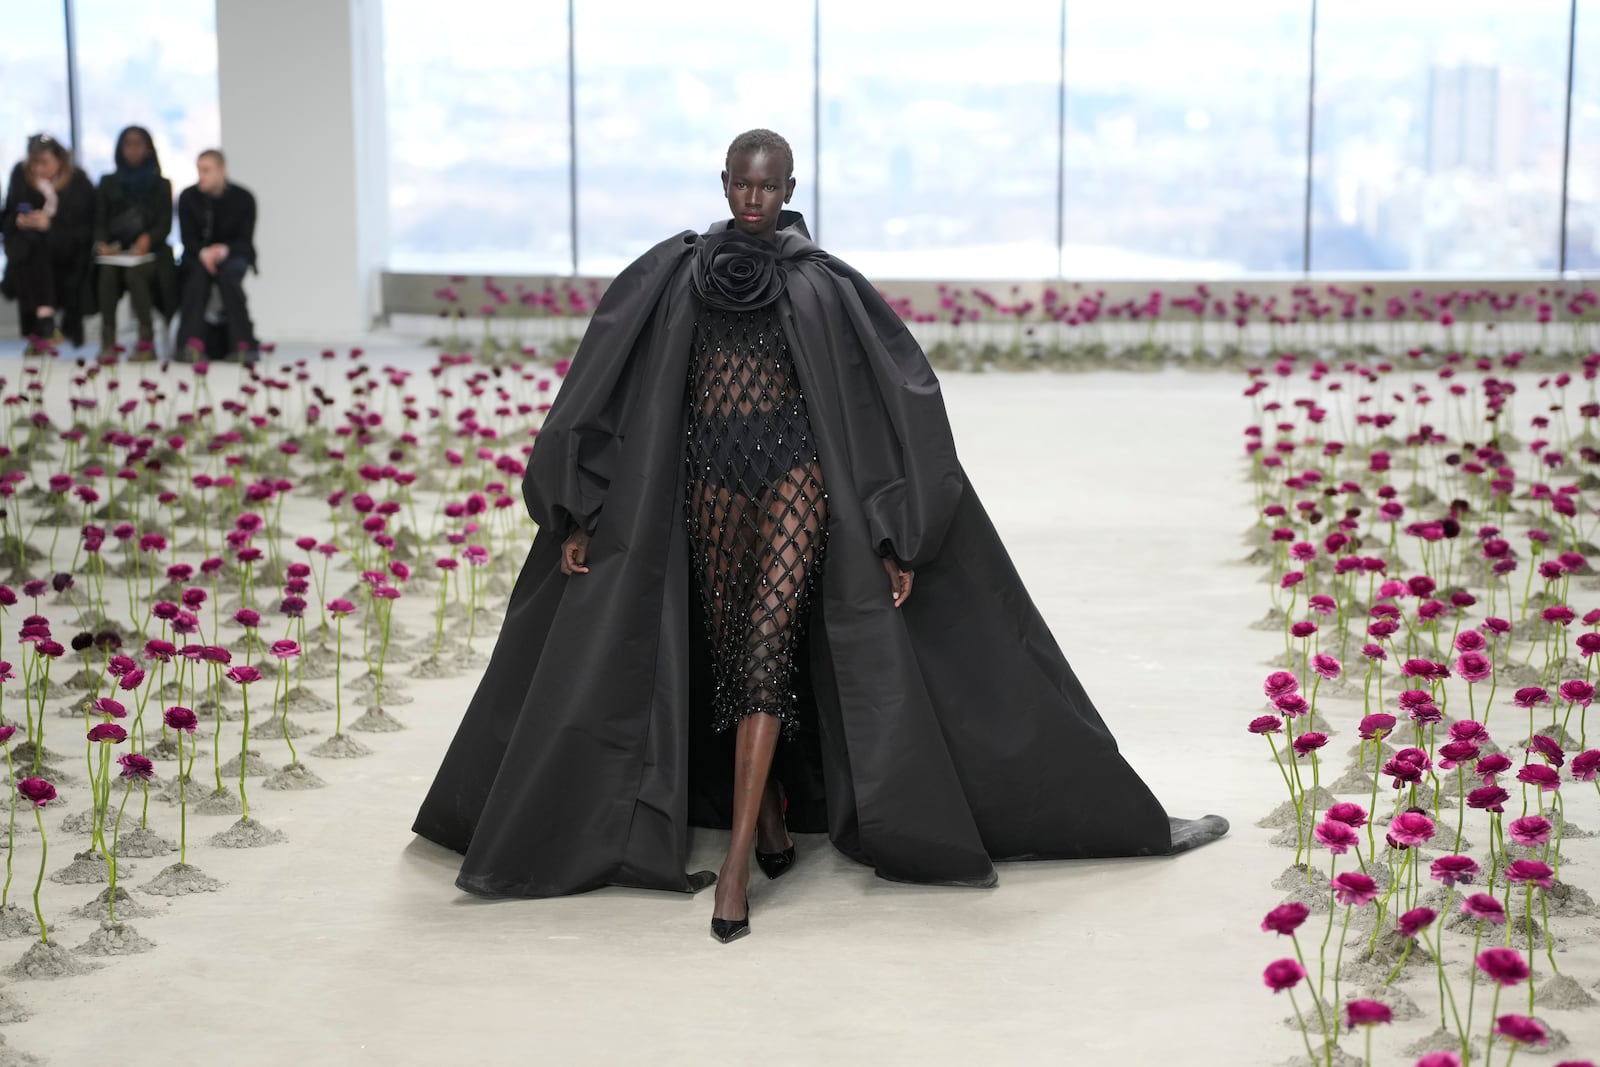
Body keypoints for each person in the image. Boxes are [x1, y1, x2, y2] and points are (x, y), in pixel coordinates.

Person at [412, 129, 1227, 943]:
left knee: (766, 648)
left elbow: (881, 403)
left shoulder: (820, 284)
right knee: (733, 650)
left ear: (792, 185)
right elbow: (608, 385)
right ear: (723, 181)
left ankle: (735, 868)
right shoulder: (675, 275)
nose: (754, 200)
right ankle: (766, 813)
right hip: (709, 476)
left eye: (769, 186)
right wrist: (577, 510)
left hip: (795, 475)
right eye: (742, 185)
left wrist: (894, 529)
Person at [0, 133, 96, 352]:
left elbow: (85, 230)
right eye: (33, 163)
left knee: (37, 248)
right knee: (31, 248)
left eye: (44, 163)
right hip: (27, 253)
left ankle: (43, 326)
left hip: (68, 256)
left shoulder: (78, 182)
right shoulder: (20, 176)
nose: (38, 169)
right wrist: (18, 220)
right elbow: (6, 216)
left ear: (59, 160)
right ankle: (45, 322)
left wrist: (51, 225)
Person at [93, 125, 178, 361]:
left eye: (138, 144)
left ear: (148, 149)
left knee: (136, 274)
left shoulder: (161, 185)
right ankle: (108, 341)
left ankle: (146, 341)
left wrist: (148, 238)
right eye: (127, 144)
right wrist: (102, 244)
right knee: (107, 271)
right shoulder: (108, 183)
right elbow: (99, 222)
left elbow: (164, 225)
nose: (132, 150)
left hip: (151, 256)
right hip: (117, 254)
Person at [175, 148, 258, 362]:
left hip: (233, 254)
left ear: (222, 170)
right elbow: (188, 239)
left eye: (207, 170)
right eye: (199, 170)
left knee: (229, 276)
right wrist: (204, 253)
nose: (201, 176)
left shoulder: (244, 199)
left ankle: (243, 345)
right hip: (197, 255)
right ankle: (189, 345)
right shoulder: (188, 198)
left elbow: (245, 239)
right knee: (196, 279)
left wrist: (224, 250)